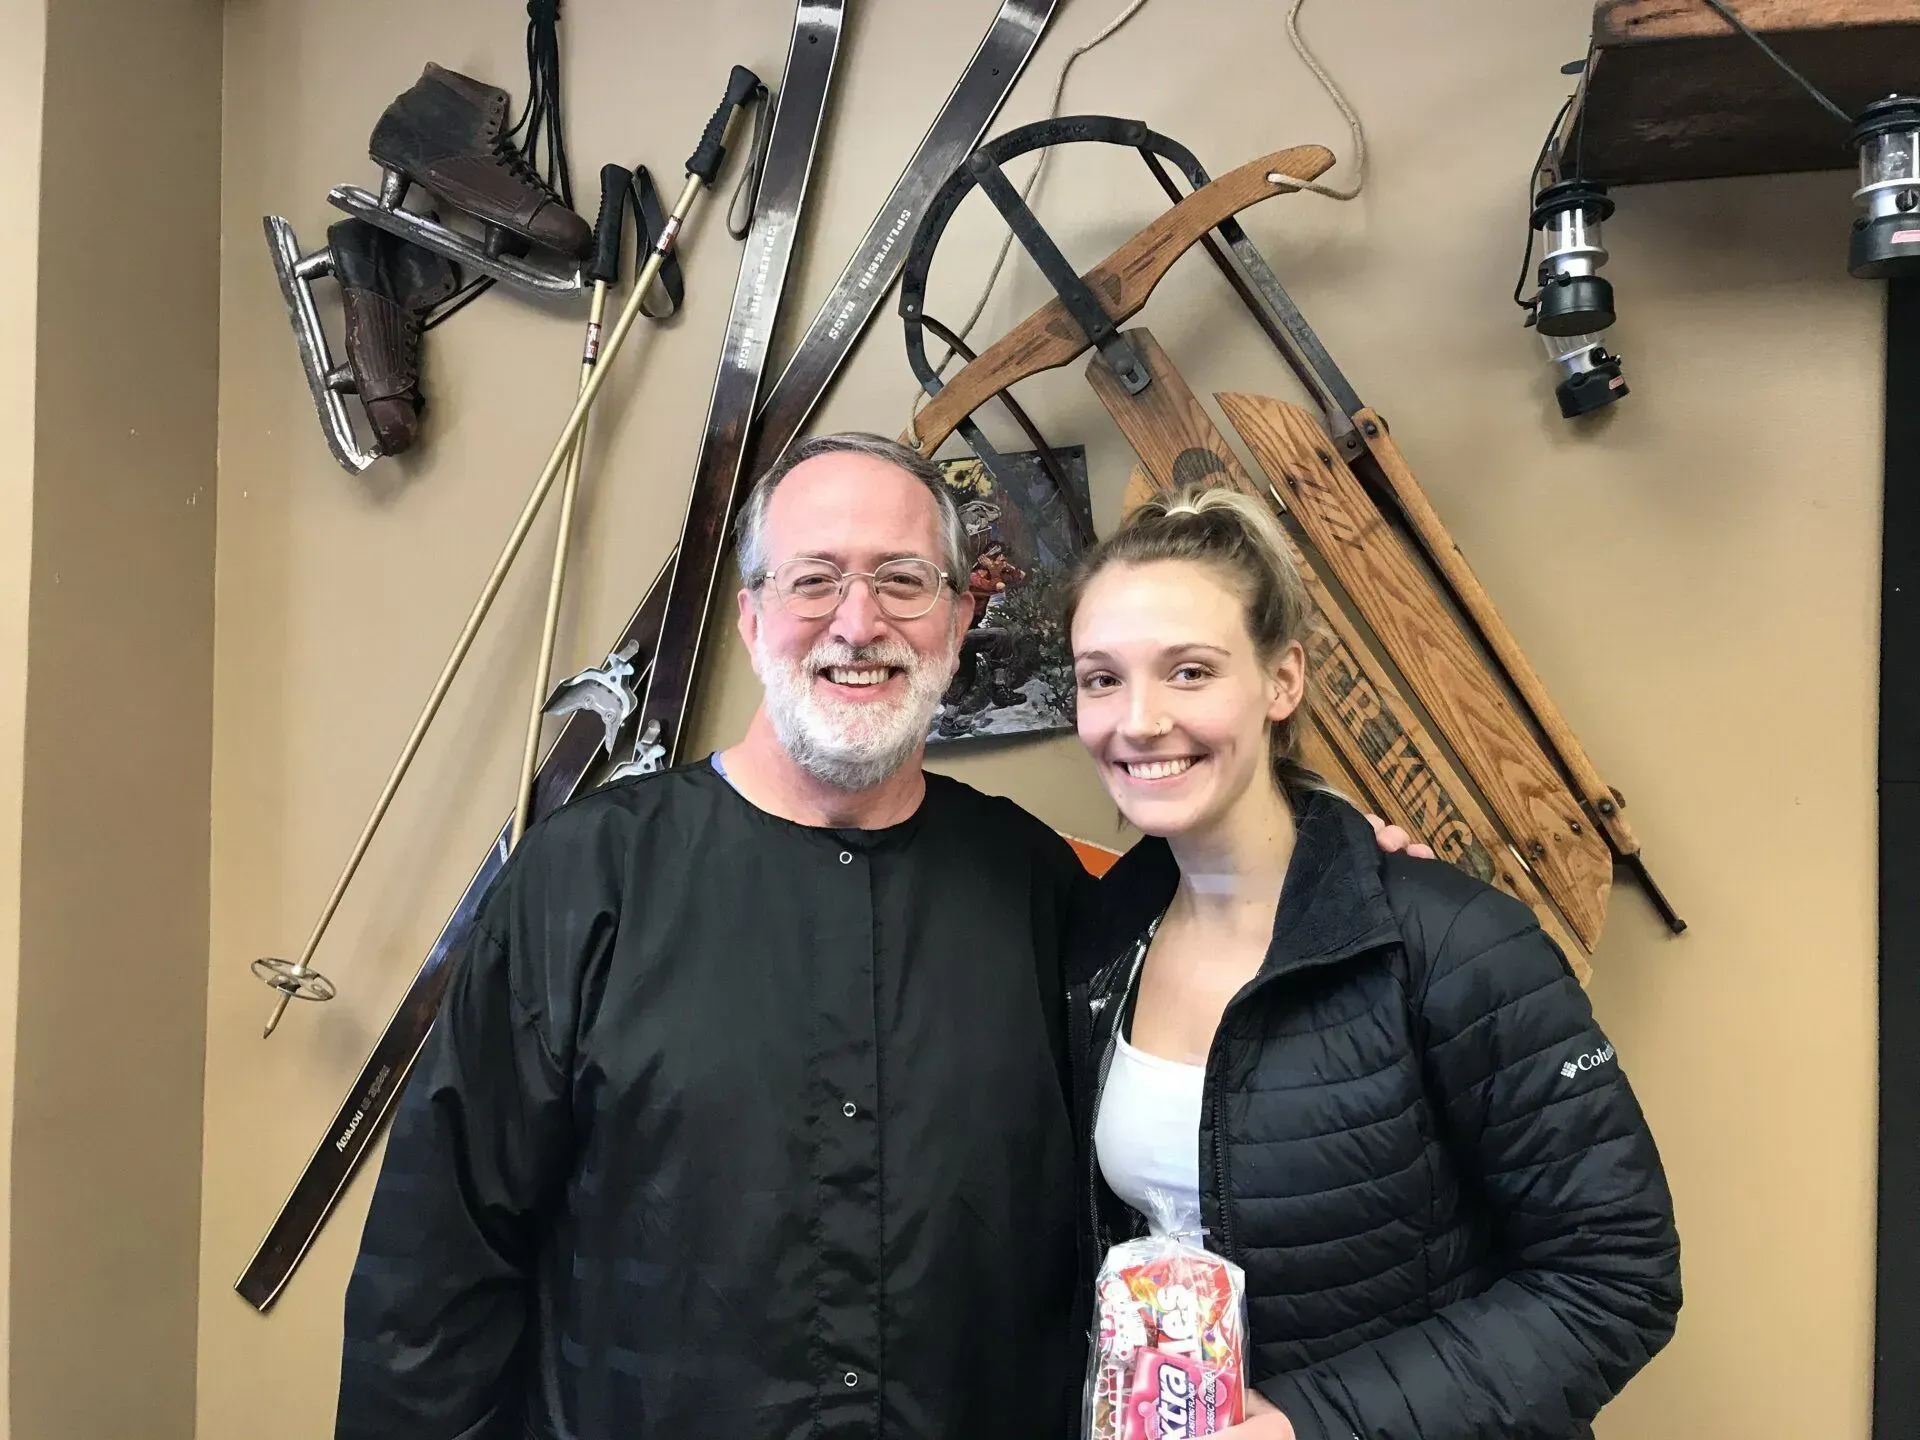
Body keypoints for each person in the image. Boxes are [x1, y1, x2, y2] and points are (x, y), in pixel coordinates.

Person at [332, 433, 1419, 1440]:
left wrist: (1317, 861)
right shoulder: (583, 880)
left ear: (955, 621)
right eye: (814, 580)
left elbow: (1216, 971)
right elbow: (435, 1276)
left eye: (903, 580)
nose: (859, 624)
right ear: (753, 618)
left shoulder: (1043, 884)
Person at [1064, 483, 1681, 1440]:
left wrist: (1313, 1426)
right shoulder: (1102, 937)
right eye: (1101, 678)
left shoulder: (1453, 943)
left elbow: (1614, 1279)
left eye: (1190, 672)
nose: (1137, 720)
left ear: (1282, 681)